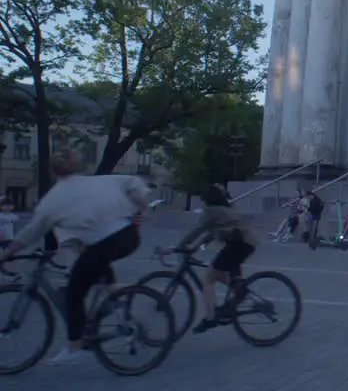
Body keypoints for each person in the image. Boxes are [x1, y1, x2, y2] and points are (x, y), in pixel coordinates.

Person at [0, 152, 151, 365]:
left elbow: (29, 233)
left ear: (52, 172)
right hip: (127, 236)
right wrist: (141, 207)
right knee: (91, 263)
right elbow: (135, 184)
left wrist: (6, 255)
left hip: (105, 243)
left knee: (74, 293)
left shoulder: (52, 200)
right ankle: (113, 304)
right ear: (76, 166)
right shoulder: (101, 181)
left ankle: (75, 346)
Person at [167, 184, 257, 334]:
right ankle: (240, 291)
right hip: (243, 244)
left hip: (238, 245)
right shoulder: (225, 209)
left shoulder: (212, 211)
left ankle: (211, 318)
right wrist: (192, 247)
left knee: (208, 279)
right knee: (221, 274)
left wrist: (178, 246)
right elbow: (210, 232)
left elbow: (198, 230)